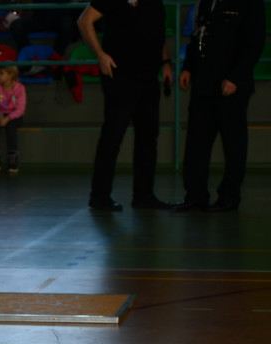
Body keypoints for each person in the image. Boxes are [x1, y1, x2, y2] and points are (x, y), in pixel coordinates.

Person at [78, 0, 174, 211]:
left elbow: (156, 33)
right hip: (120, 76)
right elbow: (84, 22)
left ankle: (144, 196)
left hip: (148, 76)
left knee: (149, 138)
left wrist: (166, 63)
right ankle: (99, 196)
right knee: (112, 136)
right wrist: (100, 56)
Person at [171, 0, 266, 212]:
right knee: (196, 144)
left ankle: (229, 196)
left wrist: (236, 78)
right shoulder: (206, 2)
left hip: (231, 87)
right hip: (203, 84)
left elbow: (255, 43)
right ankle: (195, 196)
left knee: (233, 144)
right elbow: (197, 36)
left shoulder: (250, 3)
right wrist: (188, 68)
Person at [0, 64, 25, 174]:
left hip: (14, 115)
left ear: (11, 75)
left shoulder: (20, 88)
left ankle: (12, 158)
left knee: (11, 127)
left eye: (1, 73)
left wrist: (8, 118)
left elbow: (20, 109)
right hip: (0, 115)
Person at [9, 0, 80, 59]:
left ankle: (55, 59)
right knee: (16, 25)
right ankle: (29, 57)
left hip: (59, 19)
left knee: (67, 27)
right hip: (39, 18)